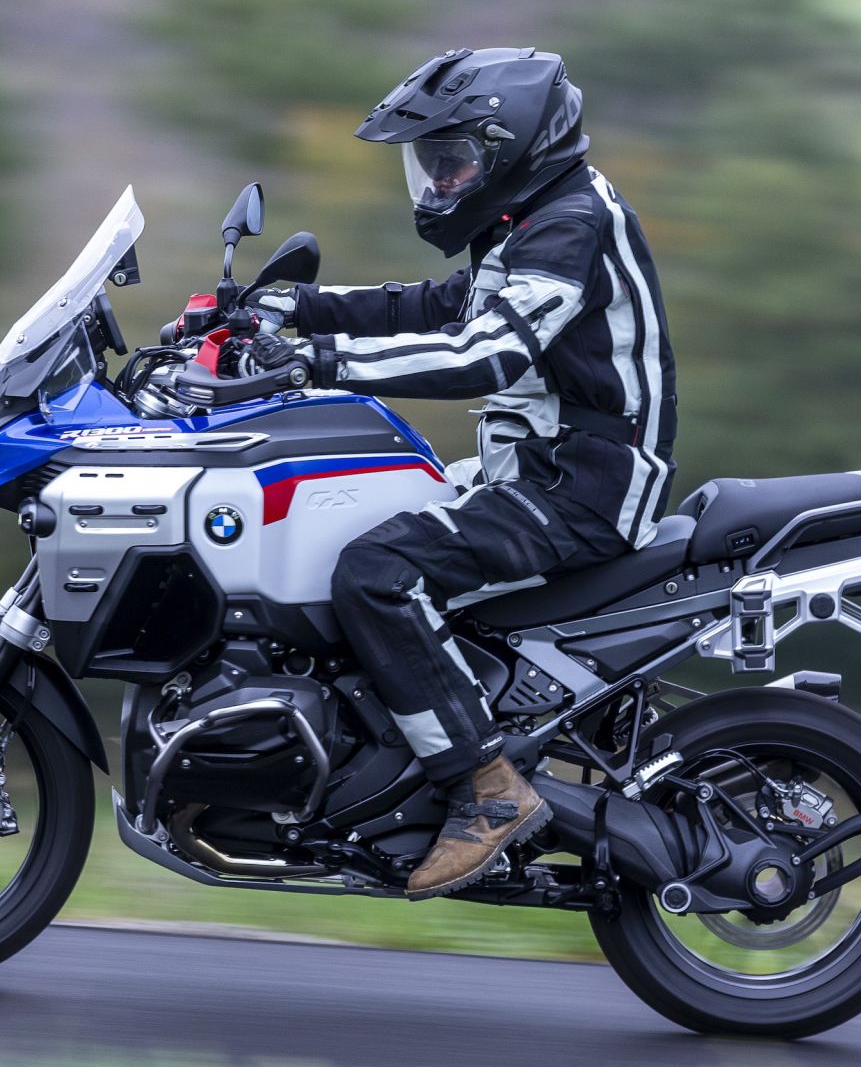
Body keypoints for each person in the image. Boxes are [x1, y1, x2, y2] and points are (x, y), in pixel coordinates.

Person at [233, 47, 676, 899]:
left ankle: (486, 786)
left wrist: (315, 361)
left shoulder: (569, 224)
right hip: (538, 469)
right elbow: (441, 306)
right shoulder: (532, 219)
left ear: (514, 148)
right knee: (347, 515)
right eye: (431, 164)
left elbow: (483, 352)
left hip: (581, 486)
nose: (439, 183)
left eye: (454, 161)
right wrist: (293, 308)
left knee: (377, 570)